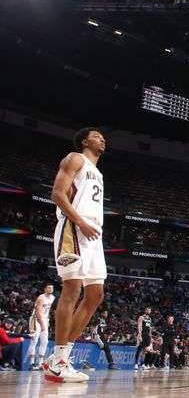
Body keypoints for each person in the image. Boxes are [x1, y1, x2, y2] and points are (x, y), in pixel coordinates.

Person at [45, 127, 107, 383]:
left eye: (103, 136)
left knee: (95, 294)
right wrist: (80, 222)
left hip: (93, 233)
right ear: (84, 141)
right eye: (96, 135)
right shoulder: (74, 159)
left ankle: (60, 357)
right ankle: (59, 360)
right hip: (74, 228)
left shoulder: (99, 173)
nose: (102, 138)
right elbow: (57, 194)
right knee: (72, 289)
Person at [27, 283, 55, 370]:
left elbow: (47, 310)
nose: (50, 289)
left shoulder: (53, 297)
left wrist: (46, 321)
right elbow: (38, 312)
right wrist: (42, 324)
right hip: (35, 319)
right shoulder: (41, 298)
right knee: (34, 340)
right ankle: (31, 363)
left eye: (52, 288)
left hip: (44, 319)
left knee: (45, 341)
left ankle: (40, 363)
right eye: (49, 288)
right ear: (45, 289)